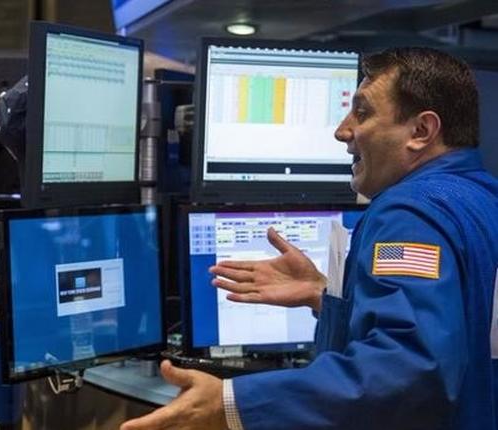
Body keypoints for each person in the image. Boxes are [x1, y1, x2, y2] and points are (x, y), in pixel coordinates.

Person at [122, 47, 498, 430]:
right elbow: (461, 325)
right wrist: (324, 295)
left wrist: (231, 403)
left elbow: (410, 369)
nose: (343, 130)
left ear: (421, 131)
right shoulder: (481, 199)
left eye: (363, 112)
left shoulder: (410, 212)